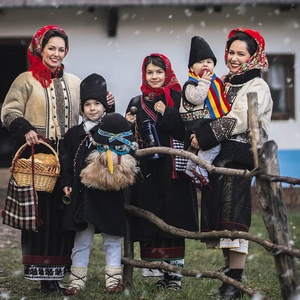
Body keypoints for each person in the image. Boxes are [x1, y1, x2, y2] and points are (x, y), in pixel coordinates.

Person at [0, 25, 114, 293]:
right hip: (37, 156)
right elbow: (9, 111)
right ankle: (42, 273)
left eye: (61, 49)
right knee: (40, 215)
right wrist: (25, 129)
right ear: (40, 48)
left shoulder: (75, 82)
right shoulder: (25, 80)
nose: (56, 53)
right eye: (51, 47)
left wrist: (107, 101)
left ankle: (57, 273)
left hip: (67, 157)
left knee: (64, 213)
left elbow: (91, 109)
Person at [192, 28, 273, 299]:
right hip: (219, 155)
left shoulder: (257, 86)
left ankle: (234, 279)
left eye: (241, 53)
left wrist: (202, 136)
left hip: (240, 155)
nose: (234, 58)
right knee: (221, 215)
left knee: (234, 216)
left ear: (254, 57)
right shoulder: (225, 81)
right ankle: (229, 276)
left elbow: (239, 119)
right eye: (231, 52)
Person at [125, 53, 199, 290]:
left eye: (159, 72)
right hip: (147, 172)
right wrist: (127, 124)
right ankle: (159, 274)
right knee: (151, 220)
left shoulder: (178, 97)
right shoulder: (136, 102)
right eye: (150, 72)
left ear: (167, 73)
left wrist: (166, 112)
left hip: (172, 170)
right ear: (144, 74)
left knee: (173, 220)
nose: (154, 76)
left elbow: (184, 132)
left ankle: (174, 276)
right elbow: (128, 138)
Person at [59, 75, 137, 295]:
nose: (92, 108)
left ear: (105, 105)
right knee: (82, 239)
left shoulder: (114, 128)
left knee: (111, 238)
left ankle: (113, 280)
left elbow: (128, 151)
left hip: (108, 194)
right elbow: (66, 161)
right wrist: (66, 182)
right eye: (87, 104)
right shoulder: (75, 134)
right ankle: (76, 281)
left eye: (97, 103)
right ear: (82, 107)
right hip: (83, 196)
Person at [180, 36, 230, 189]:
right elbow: (196, 98)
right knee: (213, 146)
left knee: (197, 148)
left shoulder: (213, 81)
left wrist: (219, 81)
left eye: (209, 62)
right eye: (200, 62)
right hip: (200, 121)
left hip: (207, 121)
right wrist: (204, 82)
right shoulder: (191, 83)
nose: (205, 65)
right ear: (191, 68)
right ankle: (202, 168)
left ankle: (189, 169)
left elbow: (216, 93)